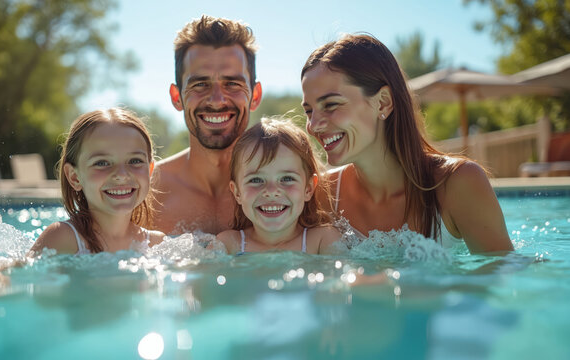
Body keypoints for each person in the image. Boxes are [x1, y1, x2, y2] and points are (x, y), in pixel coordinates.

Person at [300, 34, 513, 253]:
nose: (313, 125)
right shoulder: (323, 195)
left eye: (331, 105)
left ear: (383, 103)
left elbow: (500, 278)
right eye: (308, 111)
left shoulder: (457, 184)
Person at [0, 108, 165, 282]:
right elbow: (16, 270)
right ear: (74, 177)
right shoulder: (65, 238)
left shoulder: (156, 244)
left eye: (135, 161)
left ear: (149, 171)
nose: (122, 175)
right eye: (102, 163)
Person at [152, 15, 263, 235]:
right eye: (200, 84)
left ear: (255, 96)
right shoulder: (145, 194)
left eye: (232, 83)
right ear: (177, 97)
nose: (216, 100)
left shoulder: (291, 191)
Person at [216, 117, 341, 254]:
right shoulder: (228, 244)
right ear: (237, 192)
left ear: (308, 188)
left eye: (287, 178)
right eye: (256, 180)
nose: (271, 191)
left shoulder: (321, 240)